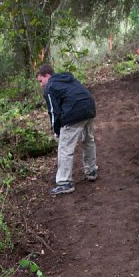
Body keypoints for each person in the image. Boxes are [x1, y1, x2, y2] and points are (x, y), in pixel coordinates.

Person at [36, 63, 98, 196]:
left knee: (65, 148)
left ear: (47, 76)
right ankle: (91, 170)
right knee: (88, 140)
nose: (41, 85)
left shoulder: (50, 87)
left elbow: (53, 112)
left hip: (74, 113)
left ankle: (64, 182)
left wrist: (57, 130)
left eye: (41, 81)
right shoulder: (68, 79)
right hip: (89, 107)